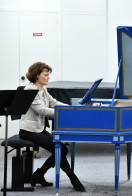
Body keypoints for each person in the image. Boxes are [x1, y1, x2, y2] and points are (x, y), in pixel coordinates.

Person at [19, 62, 86, 192]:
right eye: (46, 75)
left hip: (39, 129)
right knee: (59, 149)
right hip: (28, 130)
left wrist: (69, 107)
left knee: (62, 149)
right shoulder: (30, 90)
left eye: (48, 74)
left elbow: (53, 102)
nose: (48, 77)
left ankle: (39, 174)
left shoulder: (43, 89)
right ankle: (72, 177)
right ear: (37, 76)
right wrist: (64, 112)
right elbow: (42, 110)